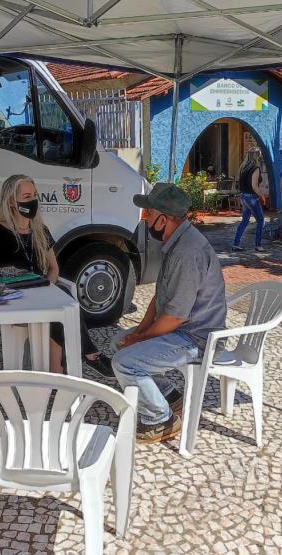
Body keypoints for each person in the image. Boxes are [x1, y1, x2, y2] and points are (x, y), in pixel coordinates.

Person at [111, 182, 227, 444]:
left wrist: (139, 340)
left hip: (195, 339)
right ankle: (170, 396)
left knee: (124, 361)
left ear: (163, 219)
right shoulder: (177, 241)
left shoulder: (187, 251)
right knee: (118, 342)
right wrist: (139, 331)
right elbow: (160, 296)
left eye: (149, 214)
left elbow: (174, 318)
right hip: (181, 330)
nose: (145, 219)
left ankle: (160, 419)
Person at [0, 174, 113, 376]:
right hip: (13, 300)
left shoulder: (40, 230)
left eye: (35, 195)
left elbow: (53, 267)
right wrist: (7, 283)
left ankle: (59, 369)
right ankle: (82, 358)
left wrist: (47, 286)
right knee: (59, 308)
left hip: (40, 293)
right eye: (27, 196)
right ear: (12, 201)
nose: (33, 201)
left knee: (62, 299)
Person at [232, 147, 267, 252]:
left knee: (245, 221)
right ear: (258, 156)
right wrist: (262, 196)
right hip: (252, 198)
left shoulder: (243, 167)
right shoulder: (255, 168)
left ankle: (236, 244)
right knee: (260, 221)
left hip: (243, 196)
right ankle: (258, 245)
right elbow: (254, 186)